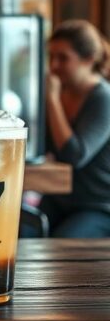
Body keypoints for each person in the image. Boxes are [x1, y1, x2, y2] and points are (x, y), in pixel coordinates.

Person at [42, 20, 110, 238]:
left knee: (60, 245)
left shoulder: (103, 99)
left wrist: (52, 100)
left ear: (89, 59)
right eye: (51, 57)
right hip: (56, 197)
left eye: (63, 58)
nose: (53, 66)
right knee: (17, 233)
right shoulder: (62, 91)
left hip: (96, 206)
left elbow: (74, 155)